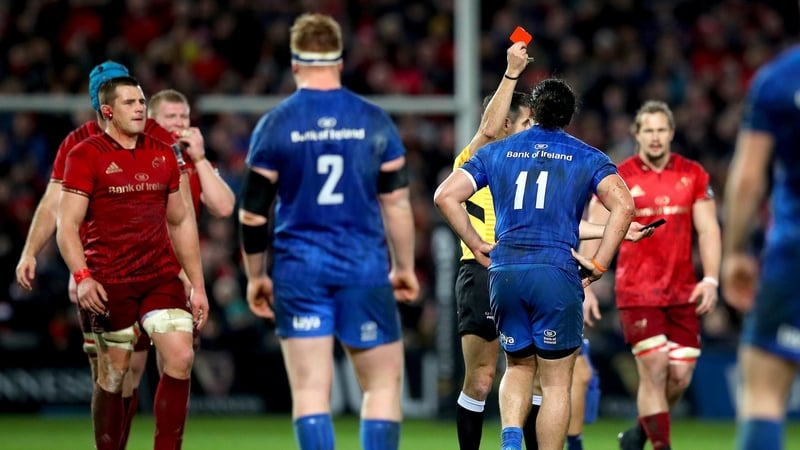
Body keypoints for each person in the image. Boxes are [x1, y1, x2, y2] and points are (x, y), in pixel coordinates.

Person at [451, 43, 648, 450]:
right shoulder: (585, 156)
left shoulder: (498, 153)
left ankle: (509, 442)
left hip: (502, 271)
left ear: (533, 113)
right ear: (569, 116)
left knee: (517, 367)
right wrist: (599, 263)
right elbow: (624, 206)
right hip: (555, 272)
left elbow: (443, 195)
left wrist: (475, 242)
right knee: (558, 382)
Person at [238, 13, 418, 450]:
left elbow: (253, 215)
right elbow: (396, 203)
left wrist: (256, 276)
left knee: (310, 392)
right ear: (340, 60)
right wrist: (404, 267)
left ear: (295, 63)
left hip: (300, 271)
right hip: (364, 267)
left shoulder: (276, 124)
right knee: (380, 386)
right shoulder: (374, 120)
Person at [56, 75, 208, 450]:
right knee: (114, 374)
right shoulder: (85, 154)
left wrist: (198, 284)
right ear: (108, 111)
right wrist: (84, 277)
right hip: (110, 282)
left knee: (181, 356)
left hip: (159, 277)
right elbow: (68, 227)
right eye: (130, 103)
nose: (140, 107)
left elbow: (180, 221)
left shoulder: (163, 152)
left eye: (141, 101)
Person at [583, 100, 721, 450]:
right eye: (649, 130)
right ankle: (661, 446)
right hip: (637, 292)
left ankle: (638, 436)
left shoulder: (693, 174)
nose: (656, 137)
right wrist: (584, 283)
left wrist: (712, 279)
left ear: (671, 133)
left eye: (662, 129)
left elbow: (708, 230)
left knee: (679, 376)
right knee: (655, 368)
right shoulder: (620, 177)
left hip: (682, 292)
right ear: (637, 134)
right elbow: (596, 226)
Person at [721, 44, 800, 450]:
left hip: (794, 253)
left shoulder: (779, 79)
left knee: (764, 394)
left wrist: (734, 251)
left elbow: (749, 178)